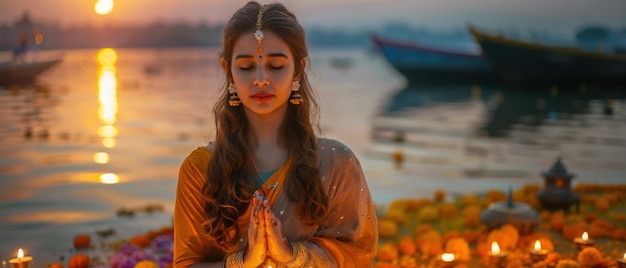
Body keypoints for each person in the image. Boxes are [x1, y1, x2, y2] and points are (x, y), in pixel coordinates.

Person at [173, 1, 378, 267]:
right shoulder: (200, 169)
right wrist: (243, 263)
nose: (260, 78)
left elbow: (356, 254)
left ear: (299, 69)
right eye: (246, 67)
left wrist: (293, 255)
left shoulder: (336, 162)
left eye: (277, 66)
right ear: (228, 71)